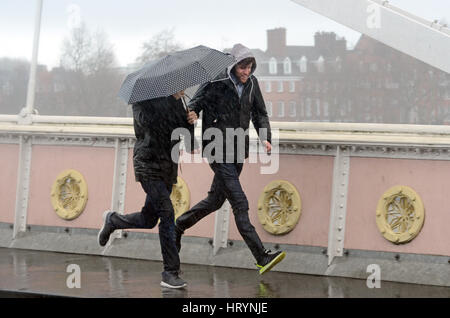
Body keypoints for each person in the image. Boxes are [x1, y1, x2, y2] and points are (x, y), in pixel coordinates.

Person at [175, 44, 286, 274]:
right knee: (239, 201)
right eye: (243, 67)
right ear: (233, 65)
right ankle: (261, 256)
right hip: (216, 148)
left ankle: (178, 226)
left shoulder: (252, 84)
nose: (246, 72)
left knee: (215, 201)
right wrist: (193, 113)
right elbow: (196, 104)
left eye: (250, 67)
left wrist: (265, 137)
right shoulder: (215, 81)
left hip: (238, 150)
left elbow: (260, 113)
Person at [97, 90, 196, 289]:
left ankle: (113, 220)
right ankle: (170, 272)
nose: (183, 89)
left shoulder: (178, 103)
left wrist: (190, 122)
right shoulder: (143, 99)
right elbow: (149, 126)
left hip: (168, 167)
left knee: (149, 219)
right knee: (167, 213)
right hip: (147, 165)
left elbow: (189, 143)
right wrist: (171, 103)